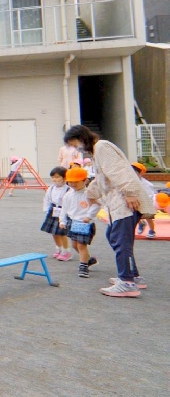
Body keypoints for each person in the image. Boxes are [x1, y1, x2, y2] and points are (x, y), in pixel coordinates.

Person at [63, 125, 153, 297]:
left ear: (81, 137)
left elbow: (119, 171)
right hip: (118, 204)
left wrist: (130, 193)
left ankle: (127, 282)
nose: (76, 148)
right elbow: (102, 179)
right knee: (115, 236)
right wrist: (90, 193)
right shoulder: (98, 152)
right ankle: (132, 276)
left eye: (74, 144)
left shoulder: (102, 147)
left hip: (124, 203)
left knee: (120, 241)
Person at [58, 167, 101, 278]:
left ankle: (83, 266)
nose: (72, 184)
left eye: (76, 182)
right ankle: (88, 260)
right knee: (74, 245)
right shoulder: (68, 194)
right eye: (70, 182)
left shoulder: (89, 193)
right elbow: (64, 209)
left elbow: (96, 205)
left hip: (85, 223)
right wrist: (62, 220)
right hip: (73, 222)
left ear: (85, 180)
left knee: (81, 245)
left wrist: (89, 216)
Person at [41, 167, 72, 260]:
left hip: (64, 212)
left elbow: (70, 202)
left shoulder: (69, 189)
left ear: (64, 177)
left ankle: (66, 251)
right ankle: (59, 248)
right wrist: (47, 210)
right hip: (53, 210)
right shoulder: (51, 188)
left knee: (62, 233)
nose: (54, 179)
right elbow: (46, 199)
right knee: (54, 233)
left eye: (57, 177)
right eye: (53, 177)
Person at [132, 163, 157, 239]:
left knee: (148, 217)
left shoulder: (146, 184)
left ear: (141, 173)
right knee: (133, 215)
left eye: (135, 172)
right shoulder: (131, 181)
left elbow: (150, 194)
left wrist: (149, 204)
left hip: (146, 202)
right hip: (135, 201)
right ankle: (141, 223)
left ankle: (152, 230)